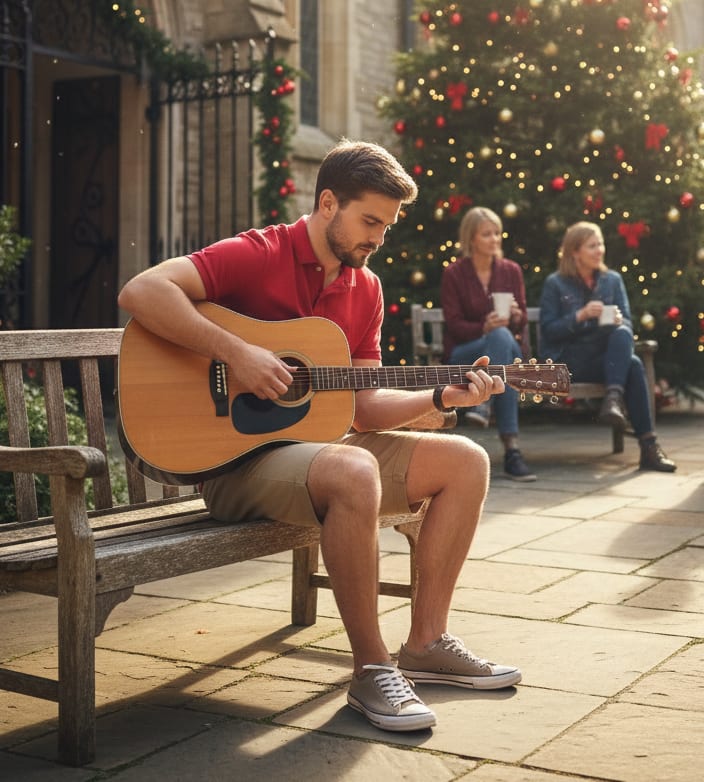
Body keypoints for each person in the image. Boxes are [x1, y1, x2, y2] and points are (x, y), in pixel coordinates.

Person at [118, 140, 521, 734]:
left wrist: (440, 398)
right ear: (328, 202)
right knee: (352, 470)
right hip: (235, 463)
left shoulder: (366, 289)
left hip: (319, 453)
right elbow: (141, 291)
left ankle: (427, 642)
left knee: (466, 461)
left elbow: (363, 405)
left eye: (387, 226)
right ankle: (371, 669)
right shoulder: (259, 253)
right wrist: (238, 353)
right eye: (370, 221)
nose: (378, 239)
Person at [539, 221, 676, 472]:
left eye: (601, 243)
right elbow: (548, 330)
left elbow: (627, 323)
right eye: (592, 245)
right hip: (570, 361)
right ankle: (646, 443)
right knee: (631, 363)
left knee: (627, 345)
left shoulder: (612, 280)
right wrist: (579, 316)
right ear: (574, 251)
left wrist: (616, 321)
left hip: (606, 361)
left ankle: (635, 429)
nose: (599, 249)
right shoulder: (556, 283)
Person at [441, 206, 536, 482]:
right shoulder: (454, 273)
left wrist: (516, 317)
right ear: (471, 239)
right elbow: (454, 325)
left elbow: (522, 321)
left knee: (502, 338)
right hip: (467, 351)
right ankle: (512, 451)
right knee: (498, 342)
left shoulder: (511, 270)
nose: (495, 239)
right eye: (487, 234)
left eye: (497, 233)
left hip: (506, 347)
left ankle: (484, 406)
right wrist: (484, 327)